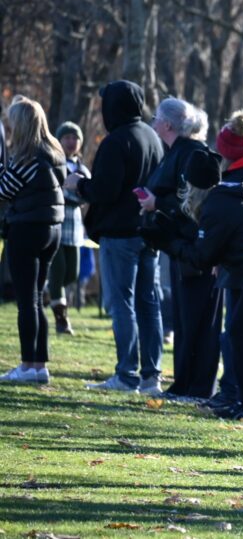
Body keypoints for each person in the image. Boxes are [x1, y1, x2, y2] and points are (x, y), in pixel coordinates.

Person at [145, 149, 243, 422]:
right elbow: (209, 245)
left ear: (193, 185)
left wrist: (168, 242)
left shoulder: (216, 207)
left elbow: (203, 258)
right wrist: (175, 234)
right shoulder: (226, 200)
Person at [66, 80, 164, 394]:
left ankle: (126, 375)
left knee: (122, 304)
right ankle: (151, 376)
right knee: (149, 304)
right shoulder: (153, 136)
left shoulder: (116, 141)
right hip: (149, 232)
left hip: (120, 234)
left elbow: (105, 191)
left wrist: (79, 185)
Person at [141, 98, 219, 402]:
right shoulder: (177, 152)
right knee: (184, 318)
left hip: (194, 248)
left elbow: (192, 201)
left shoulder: (191, 154)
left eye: (156, 117)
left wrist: (156, 203)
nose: (153, 121)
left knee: (197, 319)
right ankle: (183, 383)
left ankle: (199, 387)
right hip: (179, 246)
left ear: (168, 124)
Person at [200, 110, 243, 415]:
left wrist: (217, 256)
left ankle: (232, 390)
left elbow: (226, 226)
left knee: (236, 332)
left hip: (240, 262)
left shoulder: (235, 179)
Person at [0, 98, 65, 384]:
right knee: (37, 299)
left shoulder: (28, 159)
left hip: (27, 230)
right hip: (52, 230)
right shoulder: (53, 153)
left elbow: (3, 190)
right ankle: (39, 365)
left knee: (27, 301)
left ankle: (27, 365)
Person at [48, 121, 90, 335]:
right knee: (58, 270)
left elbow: (89, 193)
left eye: (75, 138)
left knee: (72, 273)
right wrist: (75, 195)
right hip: (56, 223)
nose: (71, 142)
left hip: (74, 227)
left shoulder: (82, 168)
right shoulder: (54, 163)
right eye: (67, 138)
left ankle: (49, 288)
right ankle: (61, 320)